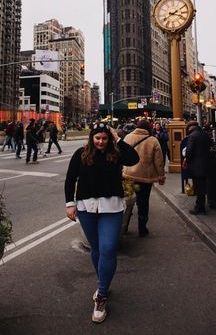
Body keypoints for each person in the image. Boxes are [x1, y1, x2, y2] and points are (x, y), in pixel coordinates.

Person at [64, 123, 139, 324]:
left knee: (108, 248)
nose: (100, 142)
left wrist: (118, 138)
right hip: (86, 208)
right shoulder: (81, 154)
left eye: (104, 138)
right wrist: (70, 204)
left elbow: (134, 158)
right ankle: (103, 282)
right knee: (96, 248)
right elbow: (70, 179)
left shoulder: (115, 153)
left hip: (111, 208)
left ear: (109, 138)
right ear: (91, 138)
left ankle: (102, 296)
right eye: (97, 138)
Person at [123, 119, 165, 236]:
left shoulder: (127, 138)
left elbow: (120, 155)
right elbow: (159, 161)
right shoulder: (153, 140)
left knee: (127, 201)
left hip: (128, 176)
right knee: (143, 202)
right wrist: (161, 176)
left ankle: (124, 226)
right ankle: (142, 229)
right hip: (144, 178)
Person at [185, 121, 212, 215]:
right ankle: (201, 206)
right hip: (206, 164)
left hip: (196, 166)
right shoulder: (205, 134)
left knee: (198, 187)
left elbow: (189, 151)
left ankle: (200, 208)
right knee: (203, 186)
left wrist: (187, 161)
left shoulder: (192, 136)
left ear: (190, 128)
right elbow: (210, 145)